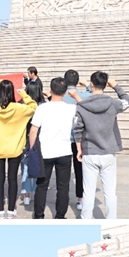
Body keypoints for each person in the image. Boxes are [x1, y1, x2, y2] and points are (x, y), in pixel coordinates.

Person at [73, 71, 129, 219]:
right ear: (106, 85)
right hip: (108, 152)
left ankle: (86, 219)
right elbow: (127, 101)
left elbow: (77, 130)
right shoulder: (113, 103)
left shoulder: (82, 106)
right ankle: (111, 219)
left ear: (91, 84)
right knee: (110, 192)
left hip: (89, 152)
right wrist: (116, 86)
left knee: (88, 192)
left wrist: (79, 149)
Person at [0, 80, 37, 219]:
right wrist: (24, 95)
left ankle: (0, 209)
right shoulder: (19, 108)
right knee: (13, 178)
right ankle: (12, 209)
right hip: (15, 148)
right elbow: (34, 107)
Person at [29, 77, 76, 219]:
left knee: (42, 185)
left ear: (50, 90)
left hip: (45, 151)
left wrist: (32, 150)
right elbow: (85, 106)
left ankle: (39, 215)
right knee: (63, 187)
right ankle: (60, 216)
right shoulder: (71, 108)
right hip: (64, 151)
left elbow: (33, 131)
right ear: (65, 92)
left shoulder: (42, 108)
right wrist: (76, 96)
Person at [63, 70, 92, 211]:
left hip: (63, 139)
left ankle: (62, 199)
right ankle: (80, 199)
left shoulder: (60, 96)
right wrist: (87, 85)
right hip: (79, 138)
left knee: (63, 171)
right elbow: (95, 94)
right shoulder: (85, 96)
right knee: (80, 169)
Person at [20, 79, 44, 208]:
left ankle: (27, 195)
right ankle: (37, 191)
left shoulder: (21, 105)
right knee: (40, 166)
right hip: (40, 140)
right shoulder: (43, 106)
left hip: (24, 139)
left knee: (25, 167)